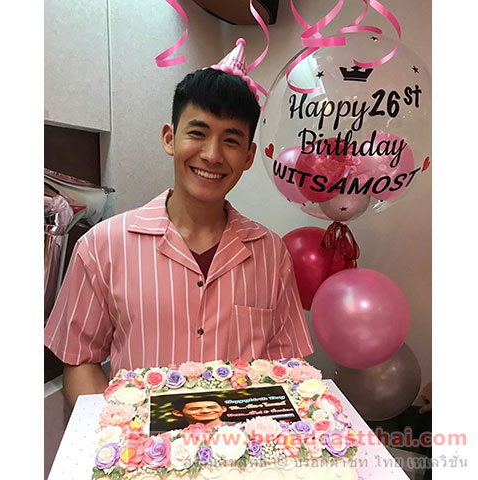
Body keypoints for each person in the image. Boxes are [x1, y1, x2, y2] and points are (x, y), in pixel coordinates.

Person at [44, 64, 314, 407]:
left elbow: (286, 367)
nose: (212, 155)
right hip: (139, 439)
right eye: (198, 133)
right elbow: (81, 359)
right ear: (169, 138)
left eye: (231, 140)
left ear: (248, 156)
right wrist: (117, 431)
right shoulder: (102, 246)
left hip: (242, 438)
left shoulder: (270, 253)